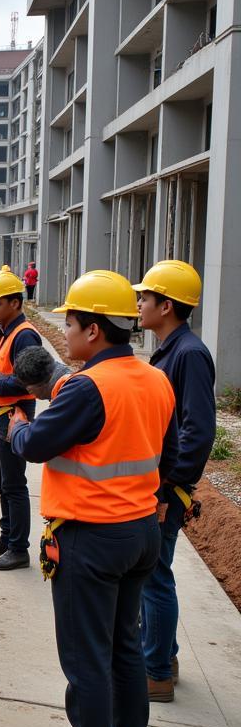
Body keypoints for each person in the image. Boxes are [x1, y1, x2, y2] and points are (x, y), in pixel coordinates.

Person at [8, 270, 177, 727]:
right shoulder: (155, 379)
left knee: (86, 658)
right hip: (140, 533)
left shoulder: (87, 387)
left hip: (90, 537)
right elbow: (167, 456)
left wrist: (16, 425)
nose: (66, 334)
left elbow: (36, 444)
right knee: (124, 648)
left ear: (95, 330)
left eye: (72, 324)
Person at [134, 259, 216, 703]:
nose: (139, 304)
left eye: (145, 297)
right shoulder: (171, 350)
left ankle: (156, 672)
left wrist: (168, 490)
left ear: (166, 305)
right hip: (160, 486)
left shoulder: (189, 355)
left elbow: (197, 433)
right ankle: (164, 654)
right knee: (154, 574)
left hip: (165, 491)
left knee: (154, 578)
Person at [0, 268, 43, 571]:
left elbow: (32, 379)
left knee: (14, 483)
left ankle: (18, 548)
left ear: (16, 303)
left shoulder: (24, 334)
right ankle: (7, 535)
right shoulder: (3, 332)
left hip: (13, 417)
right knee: (2, 480)